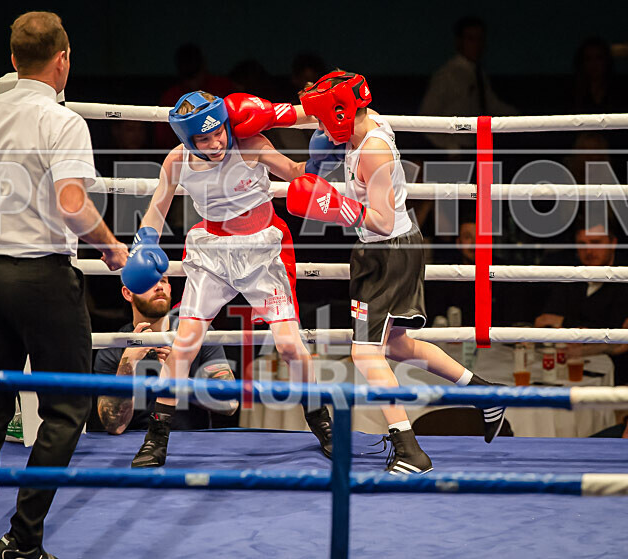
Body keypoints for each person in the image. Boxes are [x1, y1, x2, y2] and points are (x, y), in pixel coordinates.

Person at [0, 12, 128, 559]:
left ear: (13, 61)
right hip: (43, 277)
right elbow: (71, 204)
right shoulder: (61, 121)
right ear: (62, 59)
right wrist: (112, 248)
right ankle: (21, 538)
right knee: (66, 406)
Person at [286, 71, 506, 475]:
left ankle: (410, 450)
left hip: (389, 250)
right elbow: (316, 110)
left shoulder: (373, 151)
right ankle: (485, 394)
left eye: (321, 121)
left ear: (340, 115)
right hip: (380, 253)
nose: (316, 128)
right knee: (399, 347)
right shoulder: (361, 120)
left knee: (365, 352)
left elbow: (384, 220)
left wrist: (333, 205)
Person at [122, 90, 333, 468]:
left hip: (262, 252)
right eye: (204, 138)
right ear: (189, 140)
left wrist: (321, 157)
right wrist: (144, 242)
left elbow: (297, 175)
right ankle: (156, 438)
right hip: (212, 255)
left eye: (218, 131)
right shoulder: (177, 160)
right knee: (184, 344)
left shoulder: (251, 143)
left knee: (289, 345)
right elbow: (157, 207)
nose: (216, 142)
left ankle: (321, 421)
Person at [93, 276, 238, 434]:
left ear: (170, 288)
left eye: (163, 280)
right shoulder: (114, 347)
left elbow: (229, 403)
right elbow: (114, 426)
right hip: (134, 444)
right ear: (128, 293)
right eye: (148, 281)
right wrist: (128, 364)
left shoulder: (199, 334)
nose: (159, 287)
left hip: (193, 444)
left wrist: (179, 374)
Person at [534, 213, 628, 385]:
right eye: (582, 244)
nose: (589, 251)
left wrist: (564, 321)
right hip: (565, 371)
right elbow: (545, 322)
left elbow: (616, 335)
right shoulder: (570, 276)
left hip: (619, 379)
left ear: (613, 243)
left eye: (596, 243)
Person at [419, 16, 517, 151]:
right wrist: (451, 146)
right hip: (455, 151)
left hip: (478, 146)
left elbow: (491, 105)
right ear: (459, 42)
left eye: (480, 39)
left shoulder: (478, 73)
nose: (476, 44)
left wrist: (523, 120)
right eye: (471, 39)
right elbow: (426, 118)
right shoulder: (447, 75)